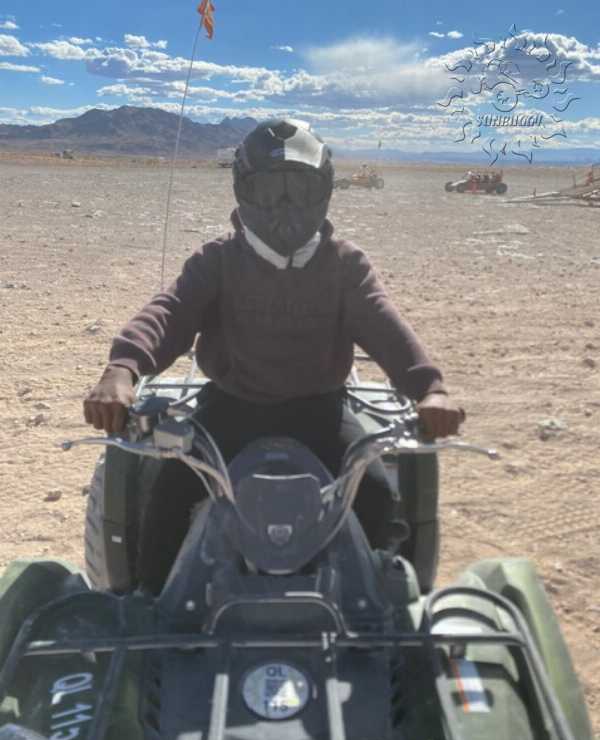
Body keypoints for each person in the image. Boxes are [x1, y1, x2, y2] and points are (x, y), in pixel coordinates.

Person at [83, 118, 463, 594]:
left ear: (324, 191)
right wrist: (123, 367)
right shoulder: (218, 260)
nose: (284, 206)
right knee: (168, 496)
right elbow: (171, 311)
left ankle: (381, 610)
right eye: (269, 190)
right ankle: (153, 607)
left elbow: (385, 327)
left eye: (298, 190)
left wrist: (430, 388)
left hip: (320, 412)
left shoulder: (344, 264)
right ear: (243, 191)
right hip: (230, 409)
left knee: (375, 496)